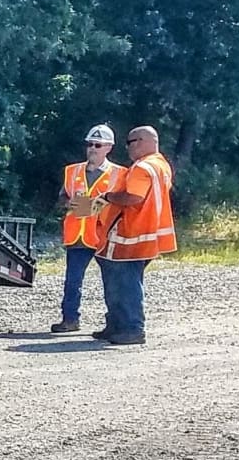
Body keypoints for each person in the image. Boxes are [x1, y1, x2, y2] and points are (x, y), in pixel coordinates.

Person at [94, 125, 176, 346]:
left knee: (126, 282)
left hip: (132, 233)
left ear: (142, 141)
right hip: (147, 233)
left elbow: (133, 198)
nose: (128, 148)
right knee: (122, 279)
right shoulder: (161, 166)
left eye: (130, 143)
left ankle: (131, 328)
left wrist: (109, 197)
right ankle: (117, 325)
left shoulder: (142, 168)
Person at [52, 124, 120, 332]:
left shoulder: (119, 174)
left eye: (97, 145)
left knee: (112, 283)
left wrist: (84, 205)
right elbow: (62, 197)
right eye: (89, 144)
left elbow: (117, 203)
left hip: (104, 236)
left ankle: (115, 323)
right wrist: (71, 203)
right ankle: (70, 319)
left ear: (108, 148)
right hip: (77, 235)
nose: (92, 148)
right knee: (72, 282)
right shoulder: (72, 171)